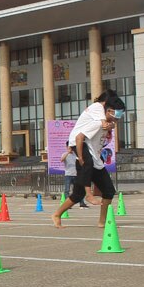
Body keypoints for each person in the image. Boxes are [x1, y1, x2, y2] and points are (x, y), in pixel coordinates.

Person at [52, 91, 126, 228]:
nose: (119, 118)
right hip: (83, 155)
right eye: (117, 114)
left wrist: (112, 124)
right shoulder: (98, 120)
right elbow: (79, 138)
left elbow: (109, 124)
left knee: (108, 190)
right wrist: (80, 157)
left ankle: (102, 222)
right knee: (80, 190)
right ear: (109, 110)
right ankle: (86, 196)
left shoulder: (106, 123)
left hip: (95, 159)